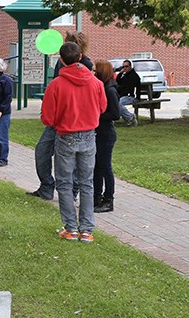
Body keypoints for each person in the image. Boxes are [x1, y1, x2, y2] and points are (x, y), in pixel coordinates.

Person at [41, 41, 107, 243]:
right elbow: (103, 107)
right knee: (86, 182)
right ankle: (87, 229)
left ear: (61, 59)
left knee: (65, 182)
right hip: (88, 135)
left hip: (66, 136)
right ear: (80, 57)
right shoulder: (96, 82)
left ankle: (71, 228)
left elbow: (47, 118)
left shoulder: (56, 85)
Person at [29, 31, 93, 199]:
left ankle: (72, 191)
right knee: (42, 150)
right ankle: (47, 186)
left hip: (74, 120)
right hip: (56, 119)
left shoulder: (86, 65)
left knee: (71, 159)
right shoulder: (60, 63)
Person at [93, 60, 122, 213]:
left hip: (106, 134)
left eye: (95, 70)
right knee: (96, 167)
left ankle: (108, 199)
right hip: (98, 132)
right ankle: (96, 197)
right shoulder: (102, 86)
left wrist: (97, 115)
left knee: (105, 166)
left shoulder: (110, 90)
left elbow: (115, 114)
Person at [115, 60, 141, 126]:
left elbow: (129, 88)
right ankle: (127, 118)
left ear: (130, 66)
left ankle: (130, 118)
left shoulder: (134, 76)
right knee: (113, 102)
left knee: (119, 104)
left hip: (132, 96)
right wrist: (120, 73)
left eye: (126, 66)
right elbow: (118, 81)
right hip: (124, 96)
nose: (125, 68)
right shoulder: (125, 75)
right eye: (123, 66)